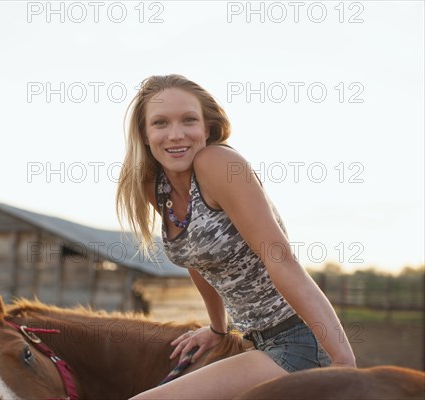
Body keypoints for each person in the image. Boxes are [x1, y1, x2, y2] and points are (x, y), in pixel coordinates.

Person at [115, 74, 356, 399]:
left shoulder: (218, 164)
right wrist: (218, 328)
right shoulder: (155, 188)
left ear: (208, 128)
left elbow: (280, 258)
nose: (175, 134)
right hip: (252, 339)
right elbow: (196, 259)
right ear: (144, 134)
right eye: (160, 123)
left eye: (189, 120)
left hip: (297, 340)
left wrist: (343, 360)